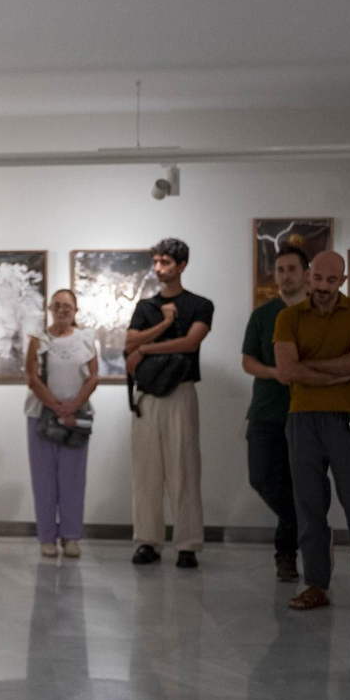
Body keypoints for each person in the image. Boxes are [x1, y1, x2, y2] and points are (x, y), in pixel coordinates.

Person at [274, 251, 350, 617]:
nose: (323, 287)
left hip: (348, 419)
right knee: (309, 508)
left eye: (331, 281)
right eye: (318, 279)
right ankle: (316, 585)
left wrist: (308, 365)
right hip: (302, 420)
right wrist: (341, 368)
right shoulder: (288, 316)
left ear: (341, 282)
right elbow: (286, 370)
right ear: (309, 278)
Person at [124, 238, 214, 568]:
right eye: (157, 262)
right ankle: (148, 539)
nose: (159, 268)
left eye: (166, 262)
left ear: (182, 265)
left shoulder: (200, 304)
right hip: (147, 394)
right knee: (146, 470)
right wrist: (162, 325)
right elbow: (128, 340)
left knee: (185, 468)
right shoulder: (146, 307)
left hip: (181, 390)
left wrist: (147, 349)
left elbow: (191, 343)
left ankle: (188, 543)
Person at [240, 246, 309, 583]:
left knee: (301, 485)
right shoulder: (263, 315)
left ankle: (286, 556)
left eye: (291, 269)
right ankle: (307, 527)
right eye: (280, 269)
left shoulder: (316, 313)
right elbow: (247, 361)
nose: (285, 275)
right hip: (267, 412)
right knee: (263, 478)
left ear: (305, 273)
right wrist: (275, 373)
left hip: (308, 414)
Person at [24, 289, 99, 558]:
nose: (62, 310)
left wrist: (74, 405)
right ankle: (46, 537)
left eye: (67, 306)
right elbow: (32, 378)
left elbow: (93, 376)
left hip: (75, 418)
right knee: (43, 479)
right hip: (41, 416)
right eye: (57, 305)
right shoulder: (39, 340)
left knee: (73, 479)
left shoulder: (86, 339)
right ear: (49, 309)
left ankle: (70, 537)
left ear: (76, 310)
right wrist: (56, 407)